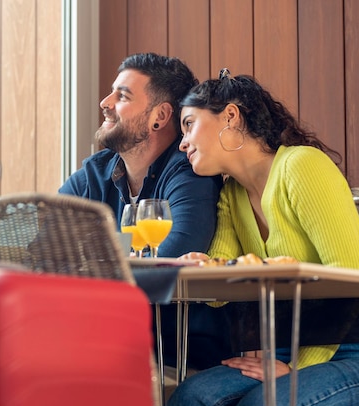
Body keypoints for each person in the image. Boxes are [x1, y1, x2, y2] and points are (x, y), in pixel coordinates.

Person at [166, 69, 359, 406]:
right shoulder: (232, 193)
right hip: (284, 348)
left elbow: (355, 277)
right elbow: (221, 289)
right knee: (190, 398)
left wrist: (298, 368)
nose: (183, 142)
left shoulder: (302, 166)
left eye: (189, 124)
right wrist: (201, 265)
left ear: (230, 116)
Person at [59, 52, 231, 370]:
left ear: (160, 116)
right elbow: (45, 245)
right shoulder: (94, 174)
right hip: (105, 333)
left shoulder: (189, 174)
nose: (105, 102)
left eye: (122, 95)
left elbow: (173, 256)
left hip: (179, 350)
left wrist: (96, 258)